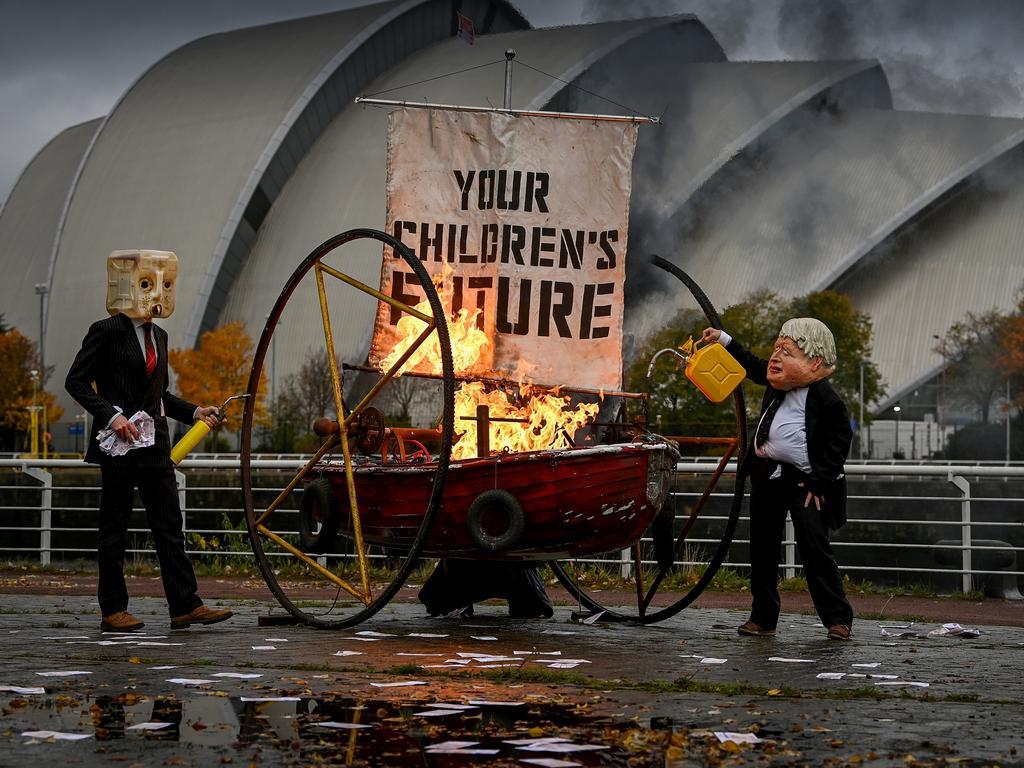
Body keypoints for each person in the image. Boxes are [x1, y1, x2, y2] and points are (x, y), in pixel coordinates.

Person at [66, 249, 232, 633]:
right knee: (114, 530)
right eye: (148, 284)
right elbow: (75, 381)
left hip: (154, 446)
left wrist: (194, 412)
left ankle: (185, 605)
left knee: (169, 526)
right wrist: (111, 414)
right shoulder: (105, 331)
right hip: (119, 447)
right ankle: (113, 609)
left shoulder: (160, 335)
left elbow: (160, 396)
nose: (158, 294)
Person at [702, 318, 854, 641]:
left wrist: (820, 482)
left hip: (805, 483)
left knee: (814, 546)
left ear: (815, 362)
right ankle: (763, 616)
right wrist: (723, 339)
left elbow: (839, 442)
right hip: (768, 475)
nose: (775, 357)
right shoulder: (774, 383)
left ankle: (838, 618)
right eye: (776, 348)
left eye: (787, 352)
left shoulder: (827, 400)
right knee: (762, 547)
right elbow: (753, 365)